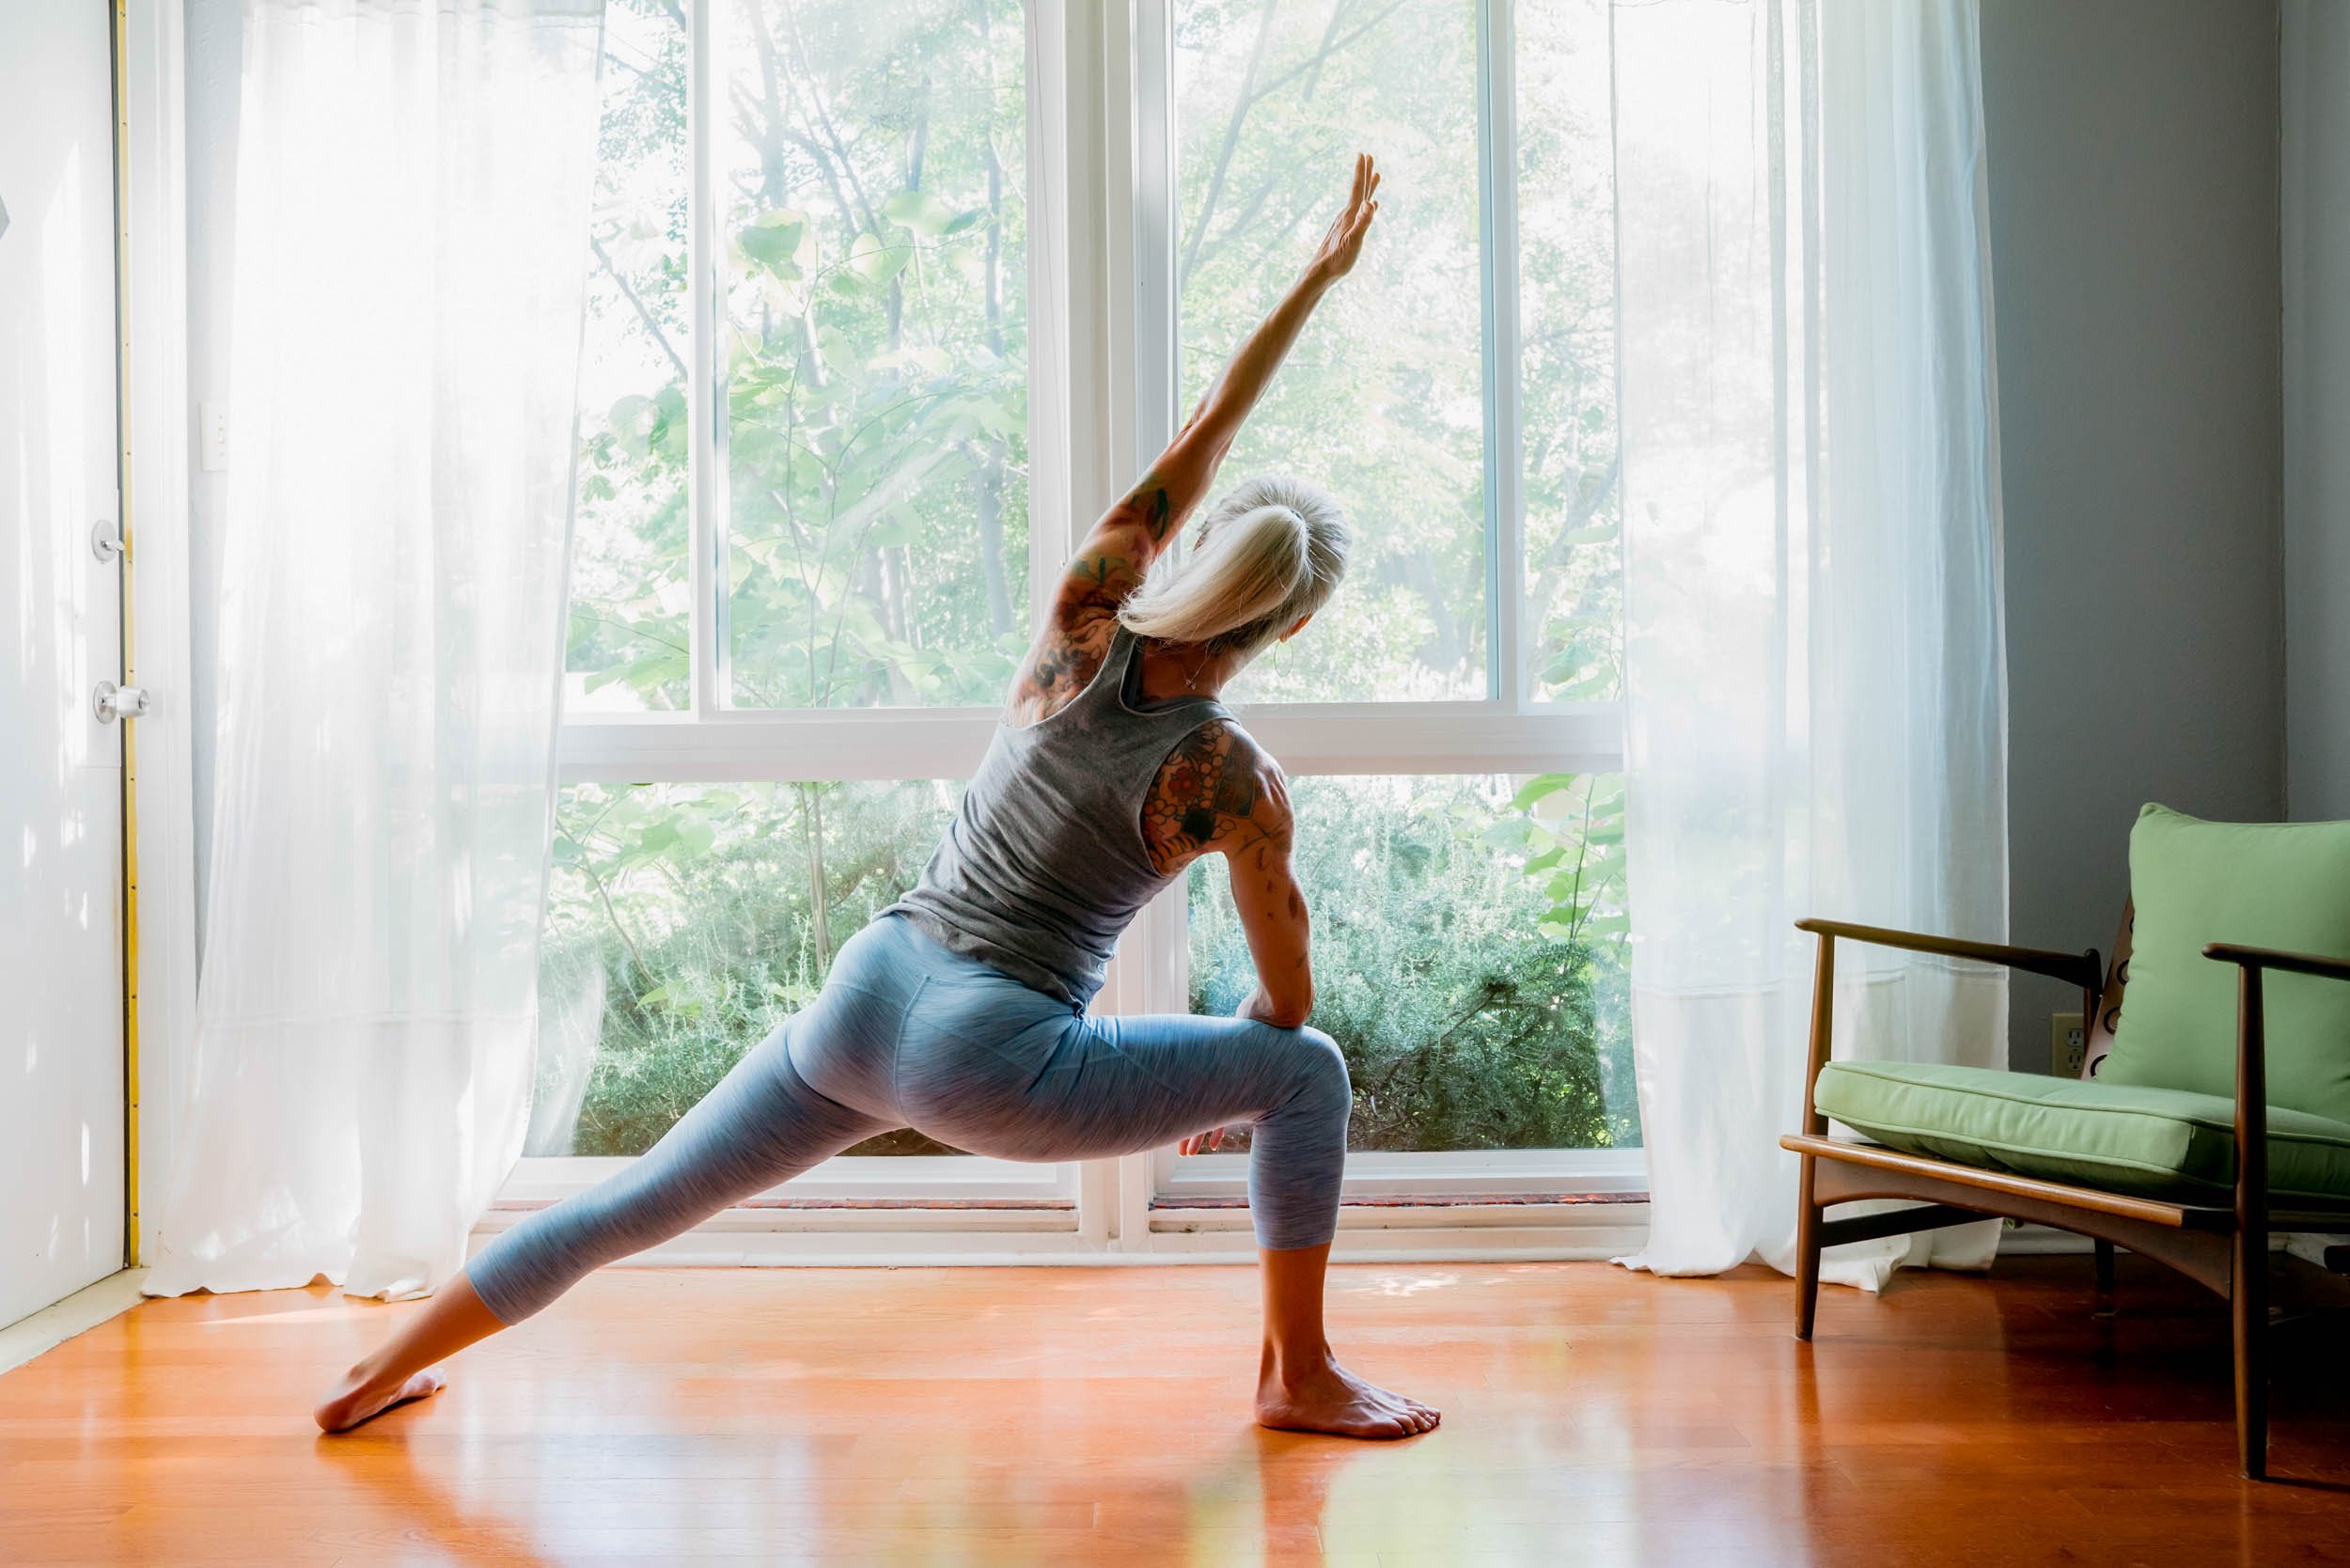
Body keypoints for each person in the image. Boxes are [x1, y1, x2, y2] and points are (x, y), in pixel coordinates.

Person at [315, 153, 1434, 1441]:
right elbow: (1286, 1016)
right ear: (1290, 629)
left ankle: (370, 1374)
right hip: (995, 1057)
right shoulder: (1235, 782)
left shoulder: (1083, 617)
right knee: (1312, 1078)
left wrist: (1308, 284)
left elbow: (1210, 429)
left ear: (1200, 545)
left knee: (636, 1204)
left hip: (872, 989)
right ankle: (1297, 1377)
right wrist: (1228, 1072)